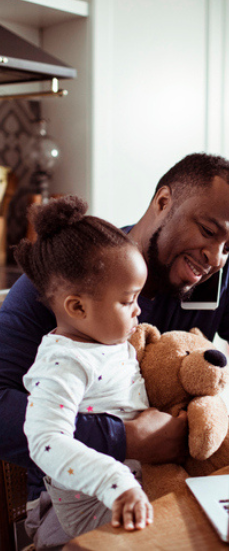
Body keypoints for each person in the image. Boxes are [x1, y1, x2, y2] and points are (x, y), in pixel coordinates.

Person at [0, 153, 229, 549]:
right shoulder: (67, 282)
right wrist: (123, 438)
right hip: (81, 501)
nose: (216, 258)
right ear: (163, 202)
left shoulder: (227, 276)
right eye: (207, 230)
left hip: (177, 481)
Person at [15, 195, 154, 539]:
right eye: (127, 301)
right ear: (77, 307)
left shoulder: (107, 342)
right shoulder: (64, 362)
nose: (138, 310)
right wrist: (115, 481)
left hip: (137, 487)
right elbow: (46, 440)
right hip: (93, 508)